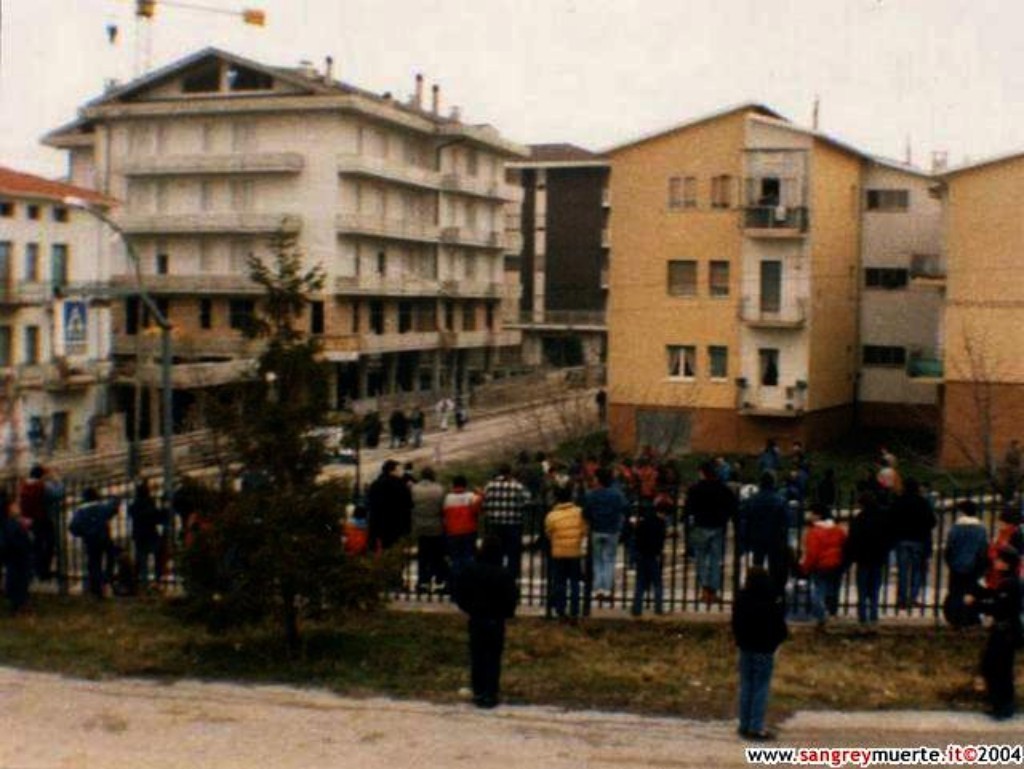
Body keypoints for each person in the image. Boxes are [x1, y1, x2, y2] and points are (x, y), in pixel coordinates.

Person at [453, 535, 519, 709]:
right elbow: (511, 598)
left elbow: (459, 593)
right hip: (496, 620)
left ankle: (479, 691)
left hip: (476, 617)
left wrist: (469, 608)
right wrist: (507, 613)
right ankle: (491, 692)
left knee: (477, 656)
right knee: (493, 657)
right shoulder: (503, 573)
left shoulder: (470, 570)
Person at [732, 566, 788, 741]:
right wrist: (775, 642)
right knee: (761, 687)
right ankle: (755, 726)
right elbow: (780, 628)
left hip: (746, 647)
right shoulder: (770, 600)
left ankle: (744, 723)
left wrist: (740, 640)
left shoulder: (741, 599)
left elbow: (735, 623)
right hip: (764, 649)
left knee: (746, 685)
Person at [965, 545, 1022, 720]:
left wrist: (976, 604)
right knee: (995, 667)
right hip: (1003, 630)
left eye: (999, 560)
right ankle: (1000, 704)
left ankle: (1003, 706)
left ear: (1006, 564)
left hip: (1006, 632)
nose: (995, 562)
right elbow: (994, 596)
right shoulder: (1007, 581)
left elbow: (999, 607)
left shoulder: (1010, 583)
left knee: (998, 668)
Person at [684, 460, 737, 608]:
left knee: (700, 558)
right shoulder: (723, 489)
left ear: (703, 473)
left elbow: (688, 509)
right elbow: (732, 508)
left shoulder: (695, 489)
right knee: (715, 560)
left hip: (700, 526)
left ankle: (704, 589)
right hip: (718, 526)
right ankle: (713, 590)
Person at [845, 490, 892, 628]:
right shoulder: (883, 517)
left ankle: (862, 616)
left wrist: (851, 555)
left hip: (863, 558)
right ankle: (874, 615)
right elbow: (889, 536)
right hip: (878, 557)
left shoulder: (859, 519)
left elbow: (853, 539)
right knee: (875, 589)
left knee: (862, 589)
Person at [738, 473, 789, 596]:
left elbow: (745, 518)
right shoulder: (780, 500)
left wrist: (745, 536)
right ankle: (774, 591)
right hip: (774, 536)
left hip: (757, 536)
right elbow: (785, 521)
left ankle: (756, 589)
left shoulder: (753, 499)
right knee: (774, 566)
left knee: (757, 564)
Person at [890, 478, 937, 611]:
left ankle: (901, 599)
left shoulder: (899, 501)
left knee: (903, 571)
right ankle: (913, 597)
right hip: (918, 540)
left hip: (902, 539)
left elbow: (891, 519)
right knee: (917, 570)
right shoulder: (922, 502)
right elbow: (932, 521)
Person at [583, 466, 629, 600]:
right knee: (609, 560)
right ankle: (607, 589)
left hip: (597, 529)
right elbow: (626, 508)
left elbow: (586, 512)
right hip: (612, 530)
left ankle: (597, 588)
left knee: (597, 560)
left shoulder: (592, 494)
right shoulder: (617, 495)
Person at [798, 503, 847, 628]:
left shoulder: (814, 532)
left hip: (821, 565)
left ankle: (821, 617)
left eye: (812, 513)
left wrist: (805, 567)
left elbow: (812, 553)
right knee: (833, 590)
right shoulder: (838, 530)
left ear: (818, 515)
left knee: (818, 591)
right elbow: (845, 547)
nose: (810, 516)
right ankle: (832, 613)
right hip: (836, 564)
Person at [482, 464, 531, 587]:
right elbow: (527, 500)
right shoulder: (517, 486)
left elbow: (483, 502)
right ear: (510, 473)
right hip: (513, 524)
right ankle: (510, 581)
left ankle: (494, 579)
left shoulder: (490, 486)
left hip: (495, 525)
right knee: (513, 555)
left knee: (495, 553)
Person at [943, 500, 990, 628]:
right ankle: (969, 617)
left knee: (955, 592)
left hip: (957, 566)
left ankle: (955, 618)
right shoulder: (980, 529)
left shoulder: (955, 528)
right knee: (970, 592)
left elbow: (950, 548)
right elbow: (983, 549)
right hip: (973, 566)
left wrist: (951, 562)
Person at [544, 483, 587, 621]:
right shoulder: (579, 512)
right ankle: (574, 610)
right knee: (575, 582)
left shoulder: (552, 515)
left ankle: (560, 609)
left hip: (558, 552)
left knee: (559, 582)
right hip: (574, 552)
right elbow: (584, 530)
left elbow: (548, 533)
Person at [69, 488, 120, 599]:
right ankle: (107, 579)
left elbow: (73, 527)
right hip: (104, 537)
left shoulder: (81, 511)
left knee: (93, 563)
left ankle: (96, 587)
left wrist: (83, 533)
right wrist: (114, 497)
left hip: (90, 540)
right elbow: (113, 508)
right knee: (110, 558)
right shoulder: (101, 508)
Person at [18, 464, 63, 582]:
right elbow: (58, 494)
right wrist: (58, 480)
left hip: (28, 520)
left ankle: (35, 570)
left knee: (36, 546)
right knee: (49, 545)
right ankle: (43, 572)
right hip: (43, 519)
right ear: (42, 475)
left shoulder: (23, 485)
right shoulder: (43, 486)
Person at [411, 467, 448, 594]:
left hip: (420, 526)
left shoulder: (414, 489)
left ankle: (423, 582)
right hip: (436, 526)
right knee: (437, 555)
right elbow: (444, 508)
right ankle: (439, 581)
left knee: (423, 555)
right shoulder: (439, 489)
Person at [366, 460, 413, 553]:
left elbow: (370, 504)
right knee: (396, 550)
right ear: (392, 471)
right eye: (399, 470)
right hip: (397, 524)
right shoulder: (400, 485)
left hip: (379, 525)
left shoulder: (375, 484)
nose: (402, 472)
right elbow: (408, 504)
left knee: (384, 550)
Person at [443, 475, 482, 582]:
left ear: (453, 485)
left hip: (453, 532)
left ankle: (455, 582)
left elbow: (444, 515)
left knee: (455, 558)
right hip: (469, 531)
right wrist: (480, 493)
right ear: (465, 485)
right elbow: (478, 508)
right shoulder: (471, 496)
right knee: (469, 557)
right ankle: (469, 580)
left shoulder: (448, 498)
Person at [631, 500, 667, 617]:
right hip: (652, 555)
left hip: (641, 553)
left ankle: (637, 608)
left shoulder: (644, 521)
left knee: (640, 582)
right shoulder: (660, 523)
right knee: (657, 583)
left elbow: (636, 535)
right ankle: (658, 607)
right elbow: (660, 540)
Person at [128, 478, 164, 588]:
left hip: (139, 535)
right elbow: (157, 517)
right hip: (150, 533)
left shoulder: (134, 505)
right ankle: (157, 580)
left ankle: (143, 582)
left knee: (142, 559)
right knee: (158, 555)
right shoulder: (149, 503)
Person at [2, 494, 34, 615]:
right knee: (19, 580)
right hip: (18, 556)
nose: (18, 507)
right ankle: (18, 604)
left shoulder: (13, 522)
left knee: (19, 579)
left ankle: (19, 603)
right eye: (15, 506)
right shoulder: (11, 524)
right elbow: (15, 540)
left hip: (17, 556)